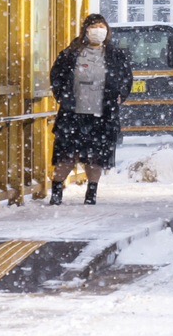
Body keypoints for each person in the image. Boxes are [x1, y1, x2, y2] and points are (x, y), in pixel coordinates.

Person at [48, 14, 135, 205]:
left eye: (101, 26)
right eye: (94, 26)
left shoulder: (115, 55)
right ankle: (56, 190)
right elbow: (57, 75)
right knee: (66, 155)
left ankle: (91, 192)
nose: (97, 30)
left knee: (95, 157)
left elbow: (126, 78)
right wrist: (62, 95)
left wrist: (120, 94)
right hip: (73, 115)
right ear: (86, 30)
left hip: (102, 115)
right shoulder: (71, 53)